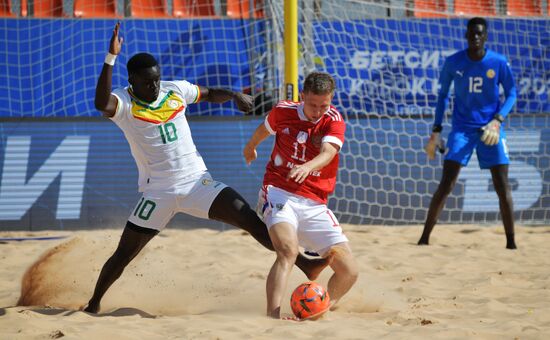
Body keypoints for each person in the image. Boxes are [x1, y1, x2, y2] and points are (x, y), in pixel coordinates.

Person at [83, 23, 329, 313]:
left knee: (247, 217)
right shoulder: (123, 102)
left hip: (197, 182)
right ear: (132, 80)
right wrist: (110, 58)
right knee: (125, 253)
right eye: (148, 82)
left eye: (157, 79)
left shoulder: (174, 90)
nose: (155, 86)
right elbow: (101, 102)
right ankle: (93, 304)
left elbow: (210, 93)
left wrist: (234, 95)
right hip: (158, 191)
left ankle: (306, 264)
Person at [244, 72, 359, 319]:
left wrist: (308, 166)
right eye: (312, 104)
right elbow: (264, 129)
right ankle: (272, 318)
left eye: (324, 105)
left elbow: (328, 152)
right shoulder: (283, 111)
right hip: (279, 192)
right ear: (302, 96)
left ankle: (317, 308)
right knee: (288, 251)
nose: (318, 111)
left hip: (315, 202)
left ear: (331, 100)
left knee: (349, 270)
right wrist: (250, 146)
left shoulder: (334, 120)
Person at [418, 17, 518, 249]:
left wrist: (498, 120)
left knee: (502, 185)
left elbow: (512, 93)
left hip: (490, 129)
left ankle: (511, 243)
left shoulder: (498, 61)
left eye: (479, 33)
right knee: (447, 183)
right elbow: (442, 97)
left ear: (485, 36)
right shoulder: (454, 62)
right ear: (466, 35)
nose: (475, 37)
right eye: (471, 33)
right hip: (461, 130)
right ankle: (424, 238)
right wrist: (436, 130)